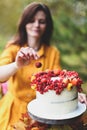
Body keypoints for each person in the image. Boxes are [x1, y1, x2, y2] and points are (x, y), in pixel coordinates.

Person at [0, 2, 87, 130]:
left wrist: (73, 94)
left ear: (47, 25)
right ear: (24, 23)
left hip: (41, 115)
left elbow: (60, 79)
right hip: (14, 112)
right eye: (32, 20)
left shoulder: (52, 52)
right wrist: (17, 65)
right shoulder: (13, 49)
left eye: (42, 21)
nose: (36, 25)